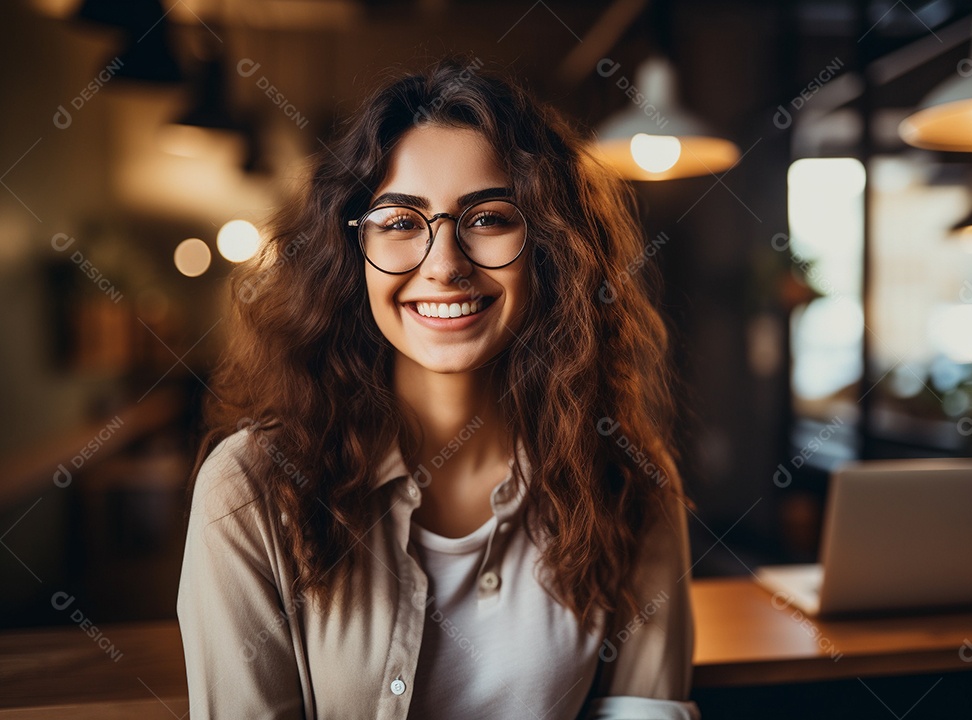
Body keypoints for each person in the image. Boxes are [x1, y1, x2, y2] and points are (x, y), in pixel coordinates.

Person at [177, 57, 700, 720]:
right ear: (352, 254)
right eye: (400, 222)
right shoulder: (248, 491)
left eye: (488, 218)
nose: (445, 265)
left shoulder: (629, 484)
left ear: (549, 250)